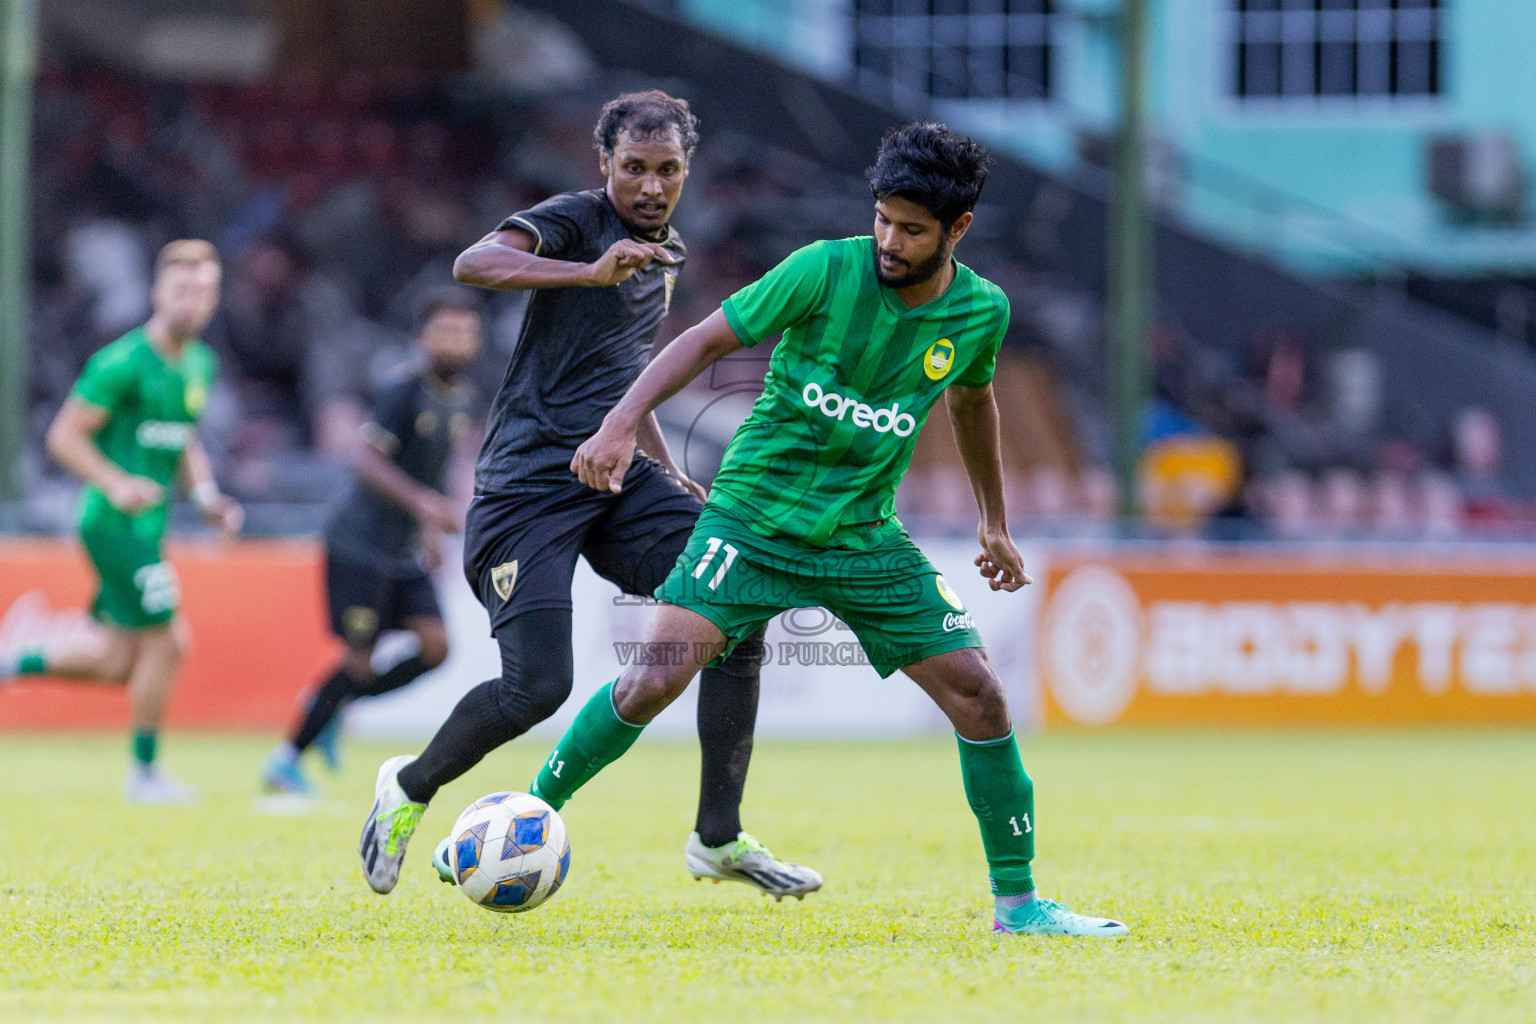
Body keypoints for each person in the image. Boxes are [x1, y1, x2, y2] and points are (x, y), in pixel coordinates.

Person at [502, 122, 1124, 935]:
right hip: (752, 518)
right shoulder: (823, 269)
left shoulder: (981, 314)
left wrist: (993, 521)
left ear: (957, 230)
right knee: (651, 679)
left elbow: (974, 401)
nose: (890, 241)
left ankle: (1019, 907)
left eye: (912, 229)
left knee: (982, 698)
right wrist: (621, 424)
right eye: (884, 220)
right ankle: (514, 822)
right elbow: (700, 340)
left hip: (864, 538)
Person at [357, 91, 819, 900]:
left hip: (612, 479)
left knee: (735, 603)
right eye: (634, 168)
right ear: (604, 165)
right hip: (525, 490)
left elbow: (623, 374)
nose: (650, 185)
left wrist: (663, 460)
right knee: (536, 687)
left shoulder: (664, 251)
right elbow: (474, 263)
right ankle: (410, 786)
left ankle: (718, 836)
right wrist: (583, 270)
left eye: (667, 169)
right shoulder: (576, 220)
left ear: (686, 170)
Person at [0, 240, 242, 803]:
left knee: (115, 662)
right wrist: (116, 482)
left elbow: (184, 441)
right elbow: (63, 437)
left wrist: (205, 496)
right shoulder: (122, 361)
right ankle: (145, 776)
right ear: (156, 292)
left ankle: (13, 661)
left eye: (205, 291)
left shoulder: (199, 363)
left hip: (147, 527)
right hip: (112, 524)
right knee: (170, 642)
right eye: (183, 288)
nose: (194, 301)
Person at [261, 289, 483, 795]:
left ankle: (332, 704)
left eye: (464, 331)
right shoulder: (402, 389)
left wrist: (426, 528)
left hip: (403, 551)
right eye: (444, 330)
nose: (454, 340)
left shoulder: (460, 398)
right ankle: (286, 760)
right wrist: (424, 506)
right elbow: (365, 460)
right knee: (358, 665)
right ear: (423, 336)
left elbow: (429, 466)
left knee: (436, 647)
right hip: (357, 545)